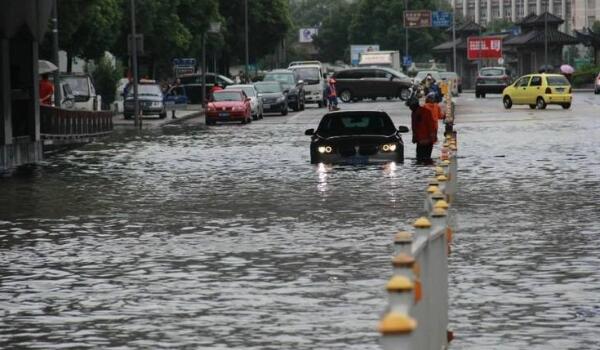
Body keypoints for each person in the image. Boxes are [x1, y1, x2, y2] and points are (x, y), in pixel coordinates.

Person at [407, 97, 437, 165]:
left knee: (425, 159)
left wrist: (432, 138)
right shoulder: (414, 113)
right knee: (420, 159)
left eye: (410, 106)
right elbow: (414, 127)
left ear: (414, 105)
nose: (409, 108)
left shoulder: (425, 112)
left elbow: (431, 125)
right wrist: (414, 137)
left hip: (427, 141)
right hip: (420, 141)